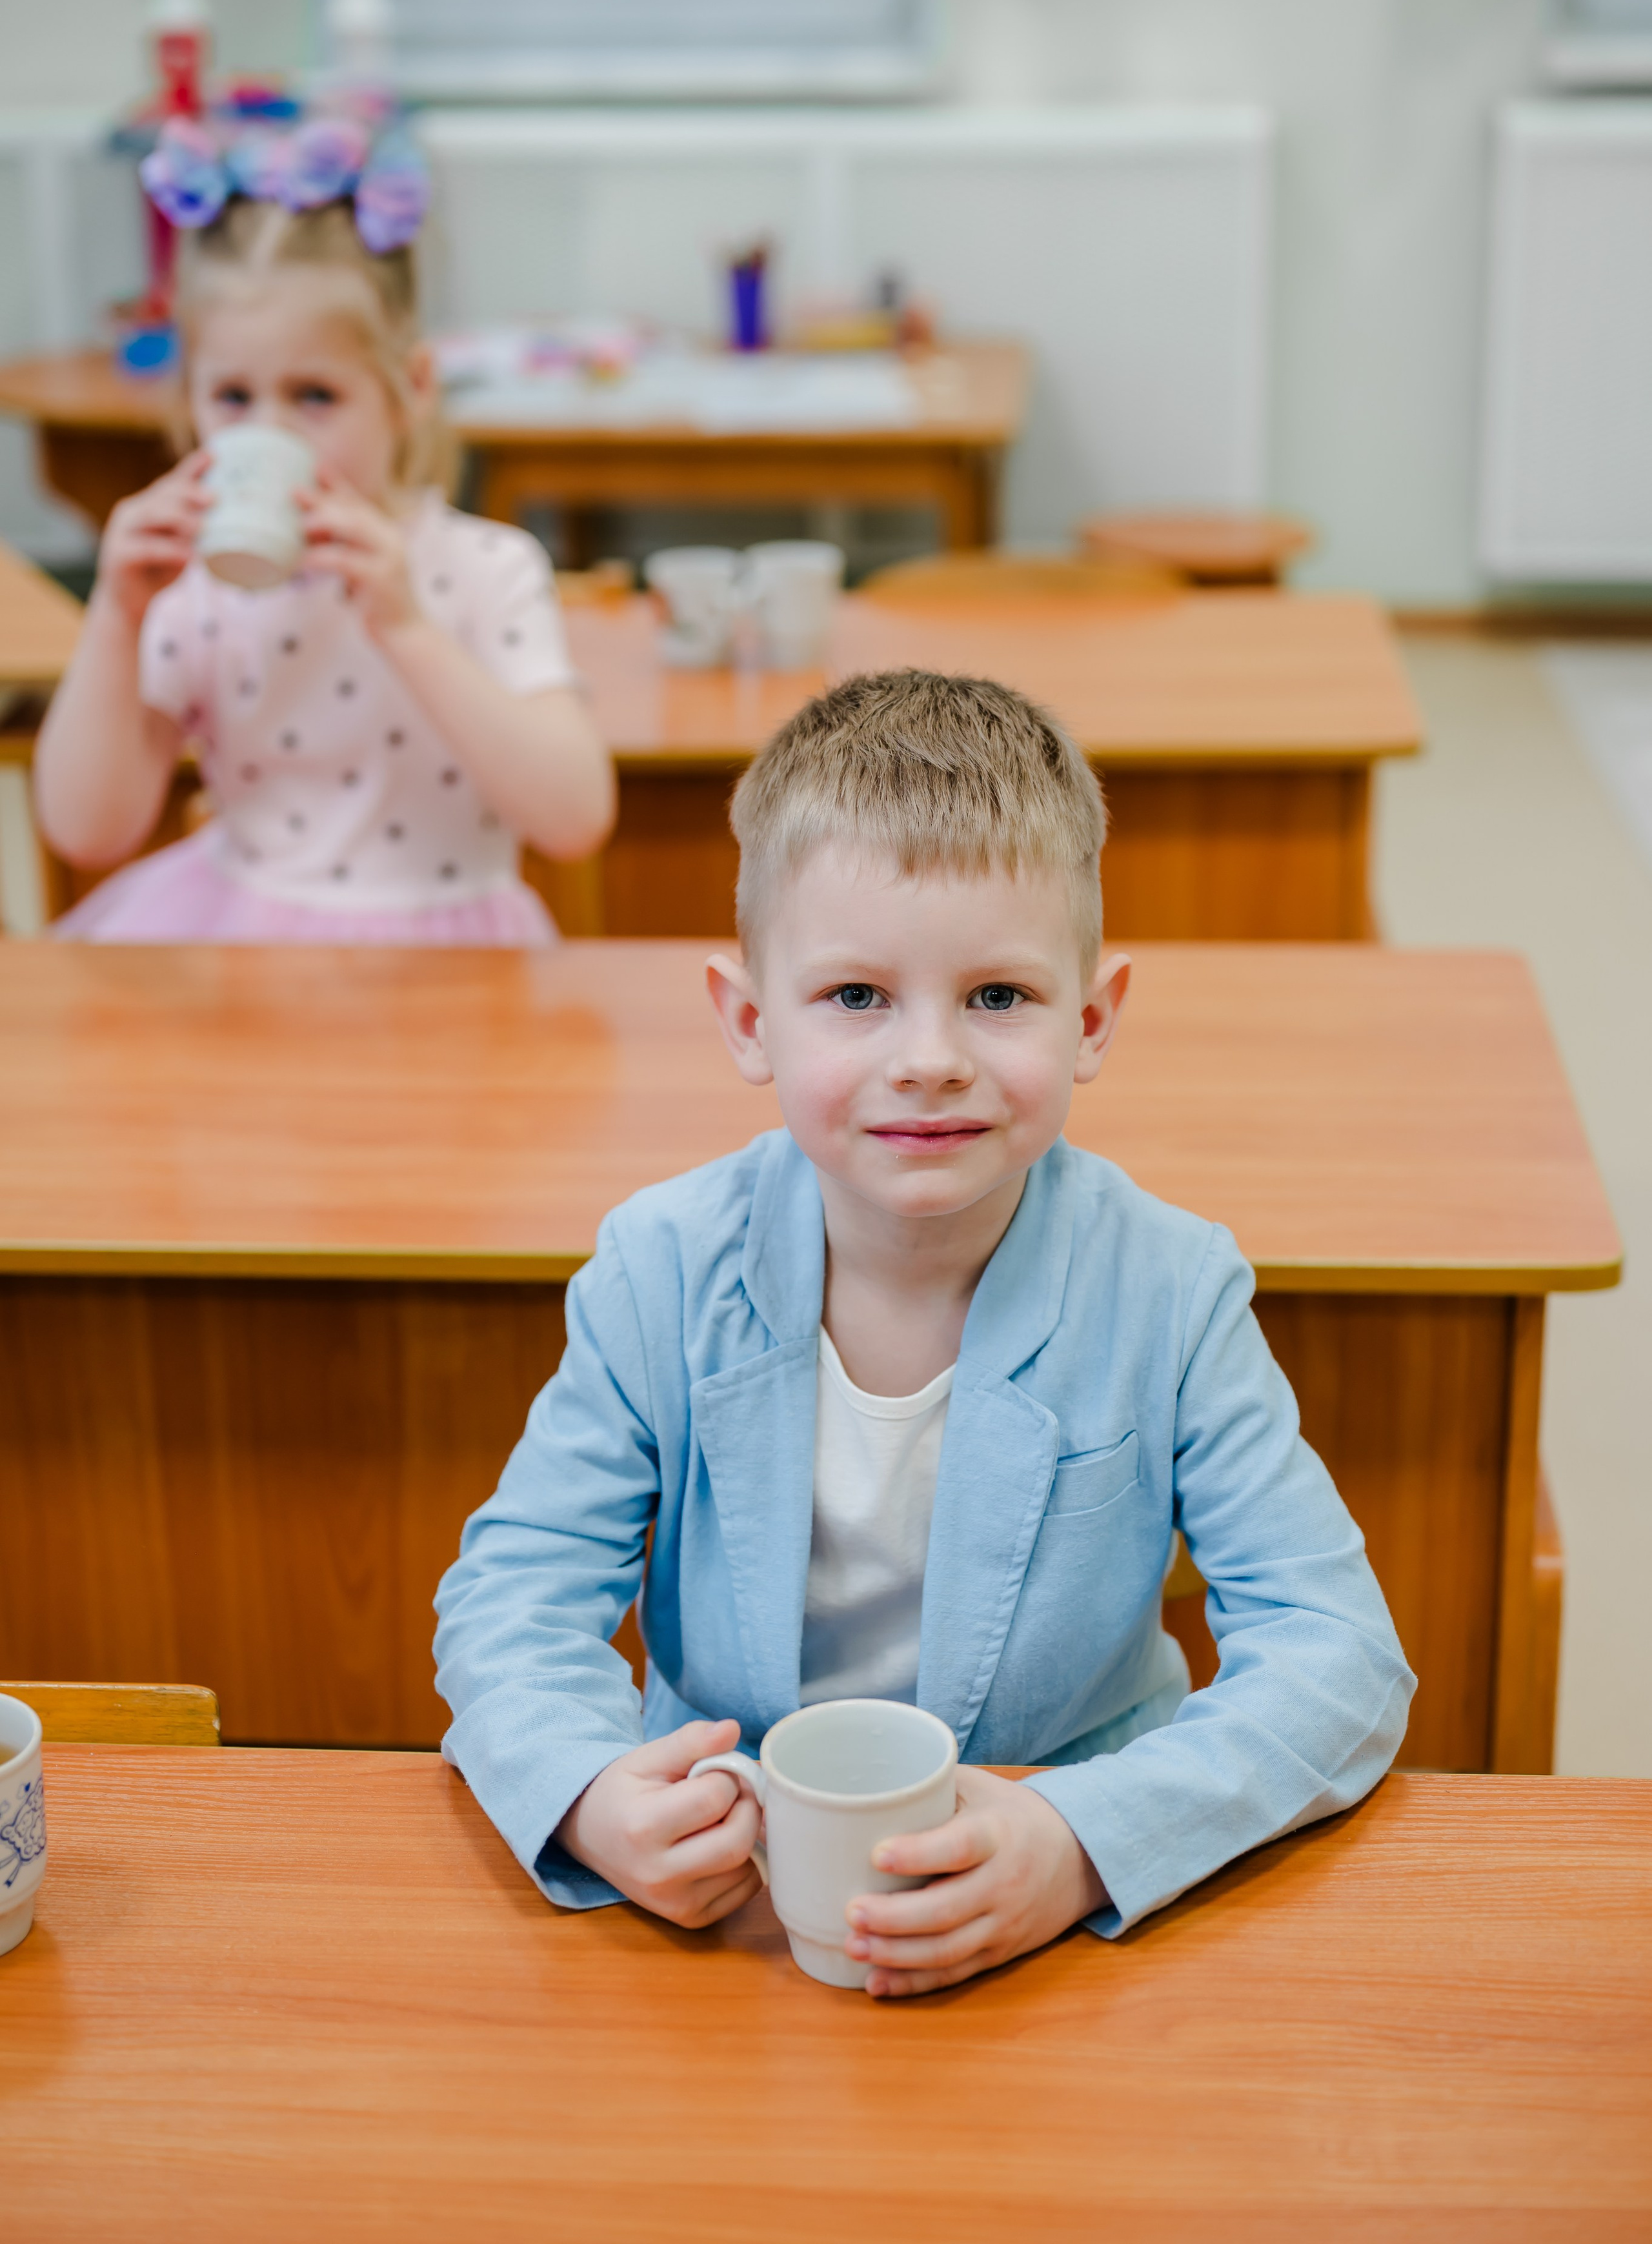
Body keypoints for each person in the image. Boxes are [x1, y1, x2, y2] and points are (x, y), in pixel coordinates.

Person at [434, 670, 1413, 1996]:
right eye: (854, 996)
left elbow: (1338, 1653)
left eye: (997, 996)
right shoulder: (658, 1269)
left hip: (1050, 1899)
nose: (930, 1056)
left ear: (1092, 1018)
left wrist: (1082, 1840)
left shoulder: (1171, 1290)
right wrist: (589, 1790)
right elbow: (516, 1588)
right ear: (747, 1021)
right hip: (727, 1910)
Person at [34, 113, 613, 944]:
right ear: (189, 400)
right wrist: (115, 616)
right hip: (238, 944)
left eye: (315, 396)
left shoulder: (489, 568)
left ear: (409, 388)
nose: (271, 434)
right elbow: (87, 830)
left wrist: (408, 626)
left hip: (452, 952)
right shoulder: (198, 594)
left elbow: (575, 817)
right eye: (233, 398)